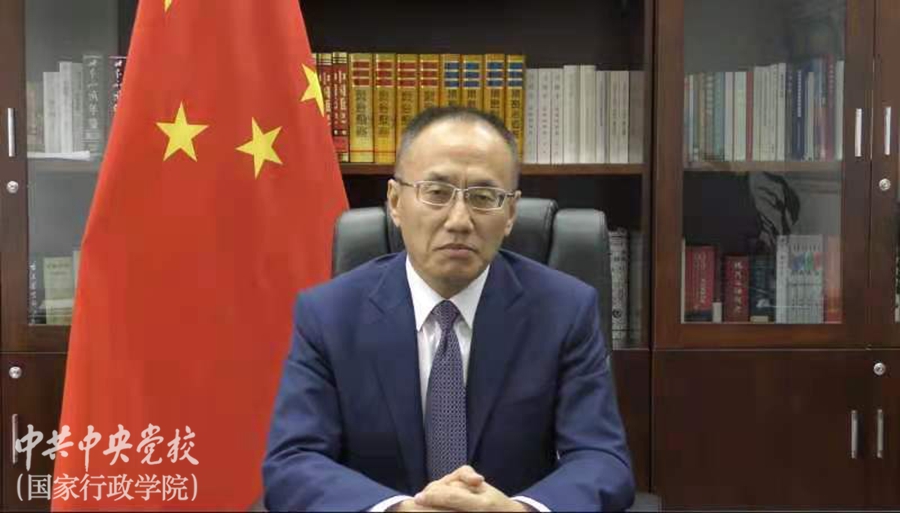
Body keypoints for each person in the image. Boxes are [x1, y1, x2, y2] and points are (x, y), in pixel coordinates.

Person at [263, 106, 634, 512]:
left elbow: (602, 460)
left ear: (510, 213)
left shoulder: (565, 311)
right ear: (395, 202)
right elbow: (294, 462)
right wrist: (399, 510)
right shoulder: (328, 315)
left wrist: (518, 510)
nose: (459, 220)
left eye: (483, 197)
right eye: (437, 192)